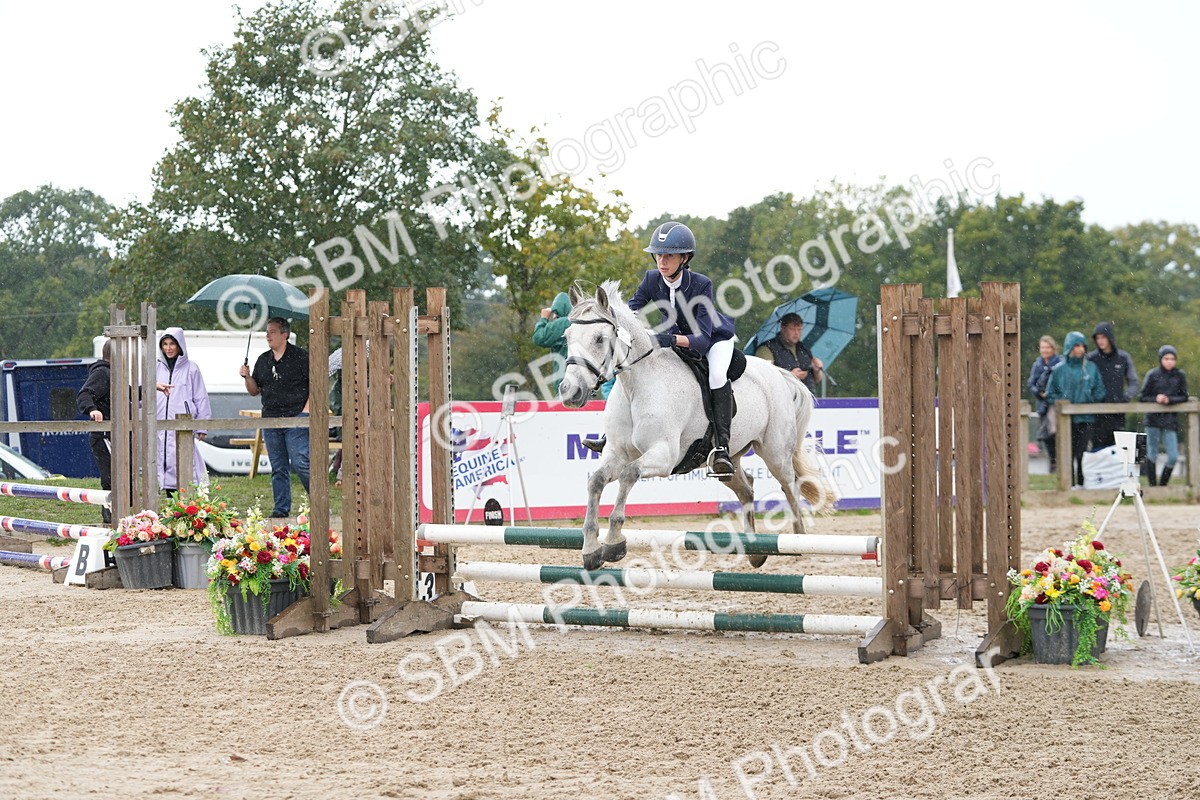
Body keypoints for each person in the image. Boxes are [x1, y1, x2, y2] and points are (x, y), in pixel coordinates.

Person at [630, 221, 738, 477]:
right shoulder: (651, 279)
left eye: (669, 255)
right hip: (676, 337)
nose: (661, 260)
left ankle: (722, 447)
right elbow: (631, 309)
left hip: (714, 339)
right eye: (658, 254)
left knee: (716, 376)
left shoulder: (701, 284)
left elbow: (701, 341)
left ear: (685, 257)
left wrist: (670, 340)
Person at [239, 318, 310, 518]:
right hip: (270, 418)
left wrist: (306, 412)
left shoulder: (301, 357)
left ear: (284, 334)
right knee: (278, 467)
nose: (268, 336)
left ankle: (319, 501)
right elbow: (255, 391)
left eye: (272, 332)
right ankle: (281, 510)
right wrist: (247, 377)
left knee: (300, 462)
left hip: (296, 416)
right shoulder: (263, 359)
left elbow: (316, 385)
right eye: (267, 332)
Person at [1045, 331, 1105, 488]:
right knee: (1067, 454)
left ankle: (1083, 484)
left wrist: (1088, 399)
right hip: (1066, 420)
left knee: (1082, 454)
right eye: (1077, 345)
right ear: (1070, 347)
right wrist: (1065, 402)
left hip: (1086, 418)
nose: (1080, 349)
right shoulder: (1059, 370)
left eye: (1082, 346)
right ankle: (1068, 485)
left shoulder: (1091, 368)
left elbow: (1100, 392)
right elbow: (1050, 394)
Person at [155, 328, 212, 495]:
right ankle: (171, 500)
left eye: (172, 343)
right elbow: (145, 394)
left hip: (183, 425)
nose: (168, 348)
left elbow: (200, 397)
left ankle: (188, 501)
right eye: (165, 344)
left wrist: (202, 425)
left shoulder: (191, 368)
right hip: (161, 425)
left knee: (185, 462)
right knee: (164, 462)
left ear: (180, 345)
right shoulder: (155, 368)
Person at [537, 291, 616, 401]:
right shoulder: (584, 322)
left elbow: (538, 337)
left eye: (555, 312)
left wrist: (543, 318)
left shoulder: (561, 324)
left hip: (566, 380)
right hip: (587, 380)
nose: (554, 317)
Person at [1139, 345, 1188, 486]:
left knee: (1172, 456)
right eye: (1166, 358)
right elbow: (1142, 396)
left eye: (1172, 359)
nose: (1169, 361)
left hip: (1169, 420)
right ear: (1161, 359)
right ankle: (1152, 486)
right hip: (1152, 420)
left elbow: (1184, 396)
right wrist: (1156, 398)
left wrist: (1169, 400)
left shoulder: (1179, 376)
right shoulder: (1153, 375)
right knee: (1151, 454)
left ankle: (1163, 485)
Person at [76, 339, 113, 524]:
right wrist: (92, 409)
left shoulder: (113, 373)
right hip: (104, 435)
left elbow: (129, 393)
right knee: (111, 477)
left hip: (114, 435)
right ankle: (109, 514)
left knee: (119, 477)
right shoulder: (101, 373)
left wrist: (152, 387)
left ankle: (113, 513)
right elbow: (84, 394)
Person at [1087, 321, 1138, 450]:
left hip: (1117, 413)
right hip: (1096, 413)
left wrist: (1125, 397)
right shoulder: (1091, 359)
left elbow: (1133, 381)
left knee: (1118, 450)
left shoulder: (1123, 357)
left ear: (1110, 337)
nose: (1100, 341)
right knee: (1098, 449)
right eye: (1097, 338)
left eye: (1103, 337)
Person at [754, 312, 823, 394]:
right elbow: (764, 378)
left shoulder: (804, 349)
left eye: (799, 329)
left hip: (808, 401)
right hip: (782, 401)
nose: (796, 333)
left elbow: (817, 379)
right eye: (792, 329)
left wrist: (817, 371)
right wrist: (789, 377)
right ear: (783, 329)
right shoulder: (766, 349)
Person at [1027, 335, 1063, 472]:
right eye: (1043, 347)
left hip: (1056, 403)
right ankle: (1053, 464)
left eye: (1047, 347)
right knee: (1047, 436)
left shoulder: (1059, 363)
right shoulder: (1038, 364)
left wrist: (1052, 393)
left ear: (1053, 348)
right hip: (1043, 405)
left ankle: (1060, 464)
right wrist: (1039, 393)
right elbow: (1031, 383)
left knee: (1058, 434)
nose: (1045, 350)